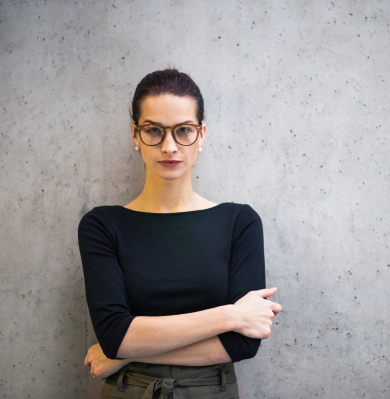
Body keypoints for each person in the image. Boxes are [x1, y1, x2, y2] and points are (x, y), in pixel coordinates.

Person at [78, 69, 282, 399]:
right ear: (135, 134)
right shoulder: (102, 225)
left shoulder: (238, 222)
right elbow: (114, 334)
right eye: (154, 131)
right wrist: (231, 315)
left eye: (183, 130)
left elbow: (242, 343)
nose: (169, 146)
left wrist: (126, 353)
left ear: (201, 134)